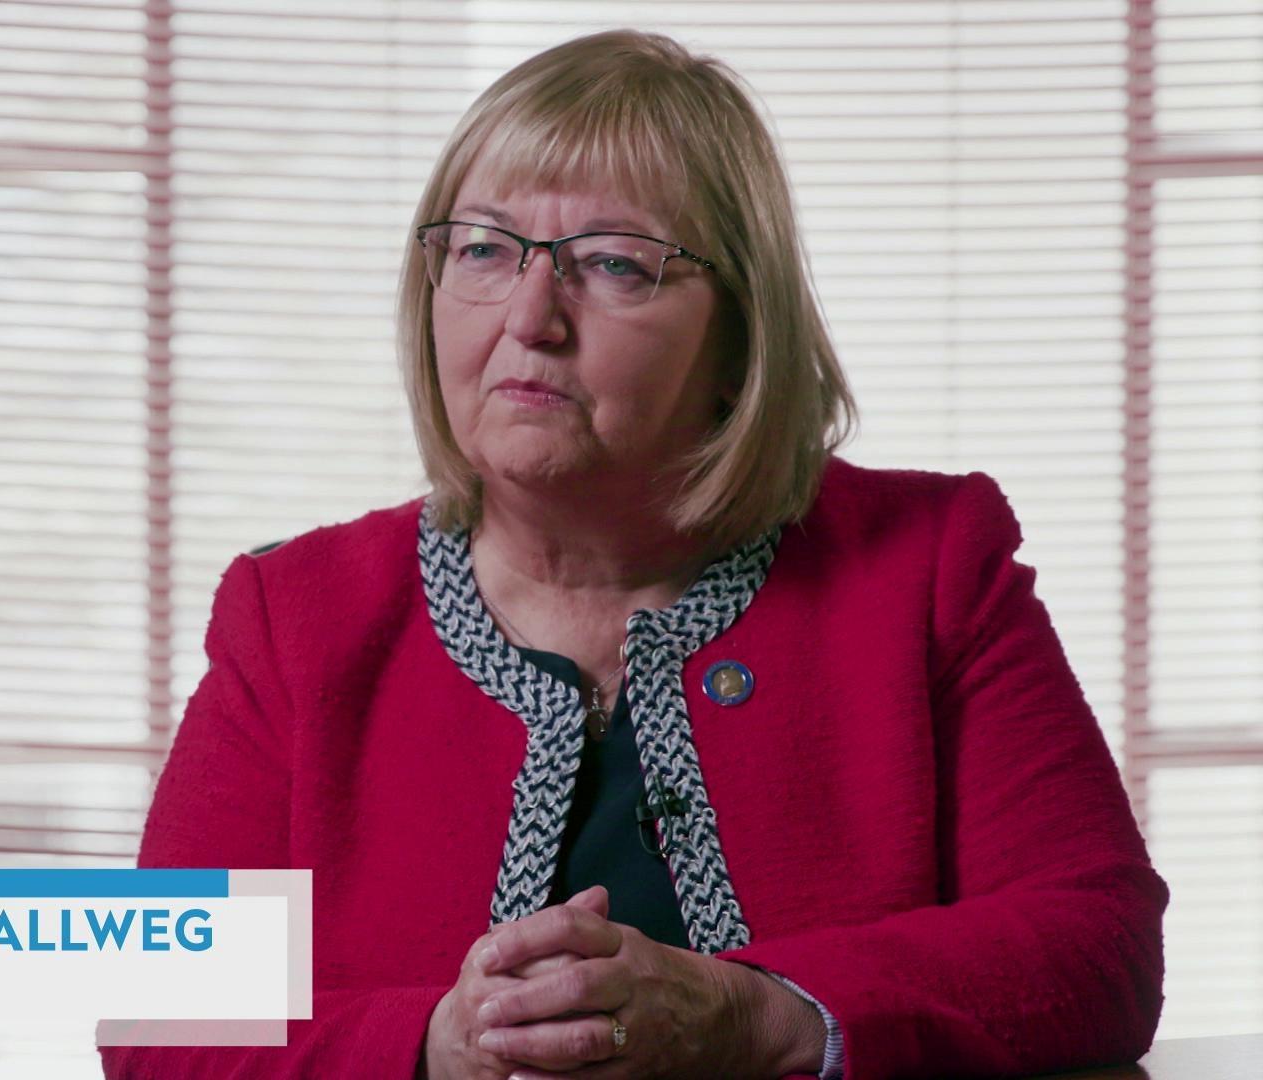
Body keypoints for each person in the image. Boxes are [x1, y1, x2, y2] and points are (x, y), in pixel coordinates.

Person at [100, 28, 1166, 1080]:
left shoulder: (930, 569)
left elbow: (1097, 946)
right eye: (483, 248)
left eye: (613, 264)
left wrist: (750, 1015)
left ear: (738, 338)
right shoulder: (297, 615)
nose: (529, 317)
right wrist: (435, 1047)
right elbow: (156, 1021)